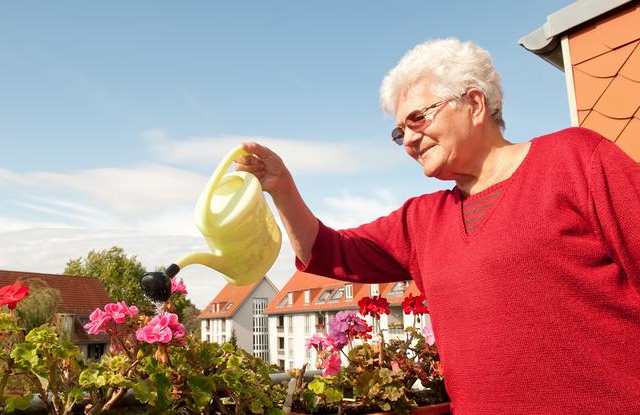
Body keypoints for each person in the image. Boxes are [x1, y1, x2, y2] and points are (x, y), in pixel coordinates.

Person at [235, 38, 640, 414]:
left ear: (475, 104)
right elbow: (326, 250)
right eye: (399, 131)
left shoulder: (576, 160)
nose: (408, 140)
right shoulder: (420, 221)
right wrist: (281, 186)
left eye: (417, 119)